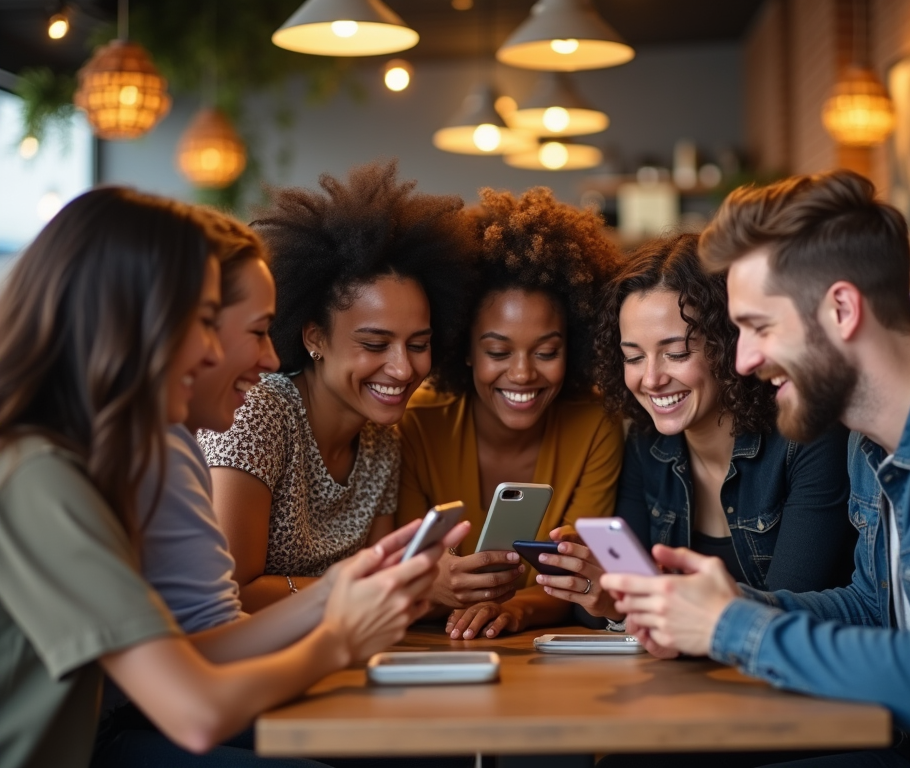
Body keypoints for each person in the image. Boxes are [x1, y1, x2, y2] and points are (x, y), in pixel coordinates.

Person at [0, 187, 448, 768]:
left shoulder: (74, 464)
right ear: (135, 322)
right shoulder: (40, 478)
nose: (234, 354)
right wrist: (337, 642)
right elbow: (196, 712)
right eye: (206, 323)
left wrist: (339, 592)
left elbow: (190, 651)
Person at [604, 170, 910, 767]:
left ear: (842, 310)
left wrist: (728, 627)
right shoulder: (871, 442)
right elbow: (872, 608)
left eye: (759, 328)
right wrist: (729, 602)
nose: (743, 360)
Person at [538, 234, 855, 631]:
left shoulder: (806, 437)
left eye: (676, 353)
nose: (651, 379)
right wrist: (604, 595)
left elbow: (787, 611)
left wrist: (650, 600)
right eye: (633, 357)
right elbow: (603, 608)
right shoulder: (647, 444)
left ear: (726, 344)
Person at [199, 161, 473, 612]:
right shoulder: (258, 413)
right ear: (314, 337)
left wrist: (439, 583)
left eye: (419, 343)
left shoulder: (382, 441)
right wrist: (396, 582)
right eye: (375, 343)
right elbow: (229, 593)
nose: (403, 369)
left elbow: (380, 593)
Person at [397, 187, 624, 640]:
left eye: (547, 351)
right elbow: (403, 571)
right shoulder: (415, 424)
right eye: (498, 351)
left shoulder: (595, 425)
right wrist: (430, 585)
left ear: (574, 347)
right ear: (462, 347)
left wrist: (517, 609)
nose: (522, 374)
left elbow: (581, 577)